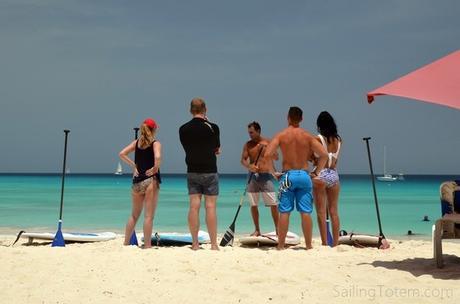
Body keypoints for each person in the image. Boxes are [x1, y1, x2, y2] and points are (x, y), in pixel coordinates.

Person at [264, 106, 328, 250]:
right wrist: (317, 172)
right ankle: (309, 245)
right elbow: (324, 155)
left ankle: (281, 245)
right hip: (304, 175)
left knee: (285, 211)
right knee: (305, 212)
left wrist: (273, 172)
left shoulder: (281, 135)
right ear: (302, 119)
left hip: (288, 176)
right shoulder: (308, 136)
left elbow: (267, 155)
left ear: (288, 117)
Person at [179, 98, 220, 250]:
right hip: (209, 170)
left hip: (192, 170)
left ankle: (195, 243)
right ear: (205, 109)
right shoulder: (213, 127)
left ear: (191, 110)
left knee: (194, 207)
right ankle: (214, 244)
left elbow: (187, 147)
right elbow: (217, 149)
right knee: (210, 207)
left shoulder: (183, 129)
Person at [119, 118, 161, 249]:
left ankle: (126, 243)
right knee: (148, 216)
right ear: (154, 129)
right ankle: (147, 245)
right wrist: (155, 167)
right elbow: (158, 157)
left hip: (137, 182)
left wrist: (134, 166)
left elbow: (122, 153)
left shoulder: (136, 143)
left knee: (134, 215)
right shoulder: (155, 143)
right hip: (150, 181)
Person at [240, 121, 279, 236]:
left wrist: (268, 149)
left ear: (258, 131)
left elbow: (276, 157)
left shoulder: (268, 142)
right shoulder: (248, 145)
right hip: (252, 177)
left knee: (273, 204)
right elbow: (243, 160)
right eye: (249, 133)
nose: (250, 135)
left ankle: (278, 229)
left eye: (252, 132)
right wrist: (249, 166)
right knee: (253, 205)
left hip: (266, 176)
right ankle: (257, 230)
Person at [311, 111, 342, 247]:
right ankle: (335, 243)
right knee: (334, 211)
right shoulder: (339, 140)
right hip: (334, 175)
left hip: (321, 174)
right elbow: (335, 161)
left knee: (321, 212)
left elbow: (313, 158)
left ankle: (324, 242)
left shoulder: (318, 139)